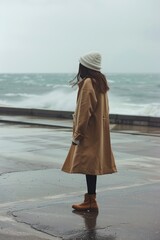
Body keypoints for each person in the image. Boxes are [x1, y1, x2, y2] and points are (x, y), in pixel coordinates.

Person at [61, 52, 117, 211]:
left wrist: (77, 135)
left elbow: (85, 111)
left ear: (85, 66)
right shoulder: (100, 82)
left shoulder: (88, 83)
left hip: (88, 132)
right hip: (97, 132)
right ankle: (91, 200)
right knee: (91, 167)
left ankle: (91, 201)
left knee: (88, 165)